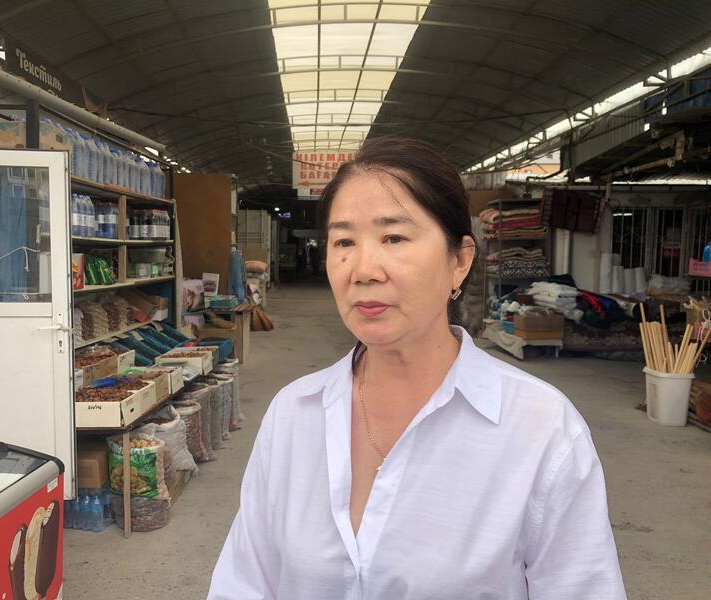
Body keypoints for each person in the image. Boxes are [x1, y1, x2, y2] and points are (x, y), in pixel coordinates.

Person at [208, 137, 626, 600]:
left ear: (459, 262)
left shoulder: (541, 429)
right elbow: (244, 582)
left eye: (394, 238)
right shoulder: (293, 414)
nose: (363, 270)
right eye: (344, 241)